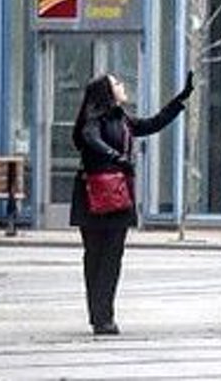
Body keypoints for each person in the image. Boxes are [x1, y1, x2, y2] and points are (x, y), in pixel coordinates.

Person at [71, 71, 193, 335]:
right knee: (94, 257)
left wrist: (179, 101)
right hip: (93, 196)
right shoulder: (94, 119)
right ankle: (99, 315)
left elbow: (152, 124)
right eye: (117, 84)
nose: (122, 86)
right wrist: (116, 156)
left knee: (112, 257)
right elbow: (91, 139)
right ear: (106, 92)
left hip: (118, 196)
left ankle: (104, 316)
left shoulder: (123, 119)